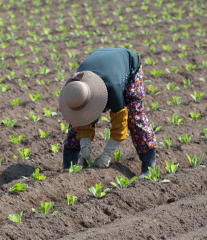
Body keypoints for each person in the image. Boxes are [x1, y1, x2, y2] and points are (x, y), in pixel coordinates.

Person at [58, 47, 156, 175]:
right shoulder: (76, 85)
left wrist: (107, 153)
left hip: (128, 65)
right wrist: (85, 146)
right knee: (77, 119)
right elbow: (81, 120)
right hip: (101, 59)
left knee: (134, 116)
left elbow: (119, 123)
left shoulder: (112, 88)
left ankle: (148, 167)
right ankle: (69, 165)